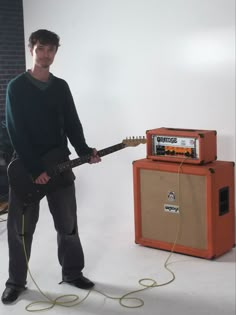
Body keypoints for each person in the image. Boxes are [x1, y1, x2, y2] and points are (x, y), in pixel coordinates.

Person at [1, 29, 101, 304]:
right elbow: (16, 130)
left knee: (68, 224)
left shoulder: (61, 87)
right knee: (20, 230)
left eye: (51, 50)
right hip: (26, 168)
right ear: (32, 49)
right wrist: (35, 169)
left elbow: (72, 124)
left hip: (59, 164)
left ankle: (72, 272)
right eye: (41, 49)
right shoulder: (17, 87)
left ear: (56, 52)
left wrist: (84, 151)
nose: (46, 54)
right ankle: (15, 282)